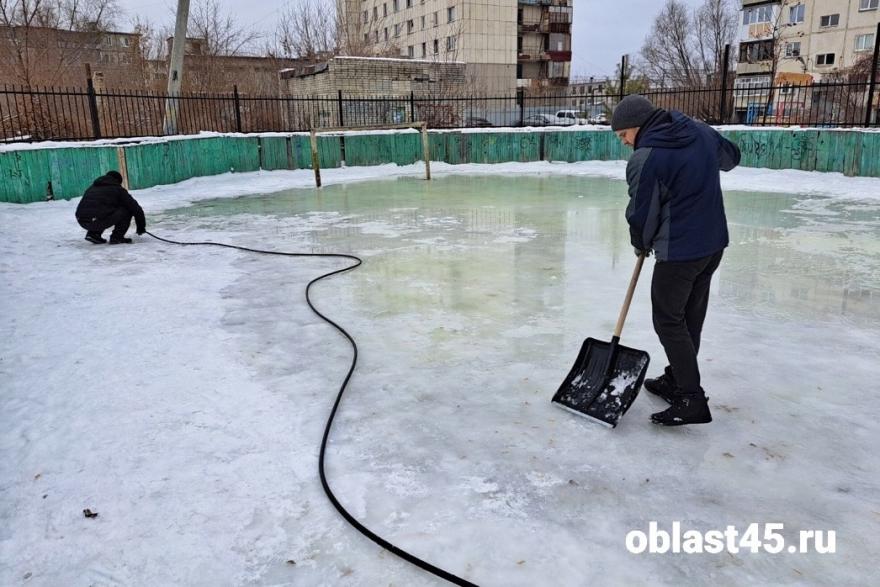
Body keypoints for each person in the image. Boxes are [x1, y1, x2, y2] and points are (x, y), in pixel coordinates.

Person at [611, 95, 741, 426]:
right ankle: (675, 379)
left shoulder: (647, 157)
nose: (625, 143)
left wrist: (640, 242)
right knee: (689, 316)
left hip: (680, 251)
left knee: (669, 319)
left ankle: (691, 399)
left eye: (623, 135)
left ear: (637, 128)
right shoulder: (698, 131)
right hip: (713, 243)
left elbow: (642, 212)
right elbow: (731, 158)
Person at [75, 170, 146, 244]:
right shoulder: (118, 189)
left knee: (102, 210)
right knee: (127, 210)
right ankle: (117, 237)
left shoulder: (92, 187)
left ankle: (93, 234)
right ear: (117, 181)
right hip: (97, 221)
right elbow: (136, 208)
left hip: (81, 220)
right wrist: (141, 227)